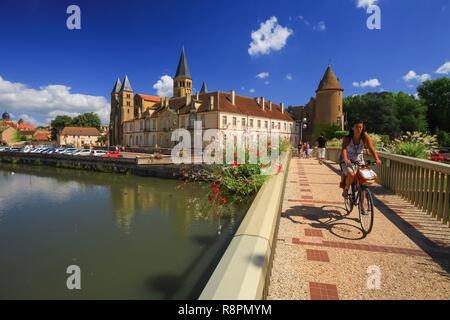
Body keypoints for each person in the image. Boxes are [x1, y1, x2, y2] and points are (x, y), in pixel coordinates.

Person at [340, 119, 381, 197]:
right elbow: (344, 149)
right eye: (356, 127)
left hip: (359, 160)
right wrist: (345, 159)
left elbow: (371, 147)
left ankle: (362, 206)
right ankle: (346, 189)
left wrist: (376, 158)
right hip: (348, 160)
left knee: (363, 179)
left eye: (360, 127)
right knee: (351, 174)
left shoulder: (365, 137)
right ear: (352, 128)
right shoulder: (347, 138)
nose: (359, 129)